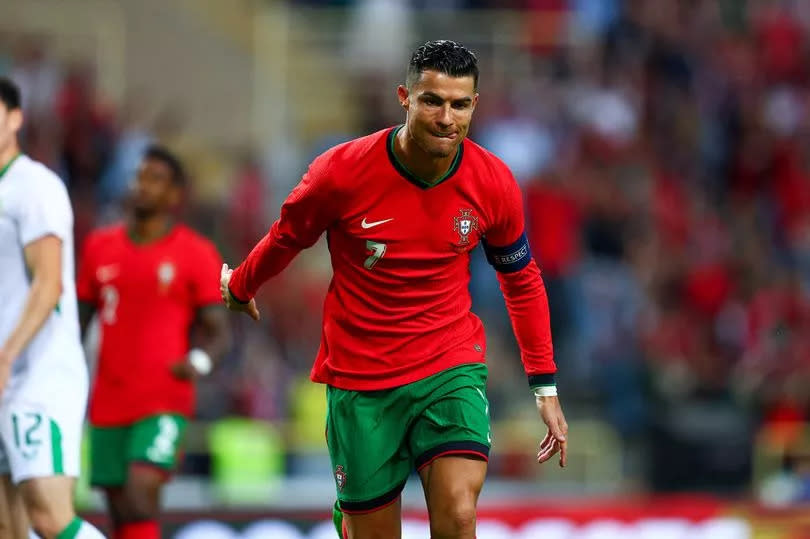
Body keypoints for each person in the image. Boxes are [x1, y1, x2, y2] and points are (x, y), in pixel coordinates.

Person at [221, 40, 568, 539]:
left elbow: (521, 279)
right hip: (362, 379)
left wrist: (544, 384)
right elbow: (286, 236)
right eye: (433, 101)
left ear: (475, 106)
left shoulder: (493, 182)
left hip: (448, 365)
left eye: (460, 104)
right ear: (405, 97)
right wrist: (241, 284)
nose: (447, 117)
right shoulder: (340, 173)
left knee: (460, 513)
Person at [77, 145, 230, 539]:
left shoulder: (195, 252)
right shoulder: (99, 247)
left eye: (156, 179)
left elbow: (218, 332)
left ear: (175, 195)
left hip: (164, 398)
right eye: (140, 176)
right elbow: (78, 321)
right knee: (120, 509)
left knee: (141, 493)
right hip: (108, 399)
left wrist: (197, 363)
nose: (143, 186)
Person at [0, 76, 105, 539]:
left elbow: (48, 284)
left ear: (16, 117)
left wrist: (6, 356)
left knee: (50, 515)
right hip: (4, 378)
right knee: (8, 523)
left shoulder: (33, 187)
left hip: (36, 376)